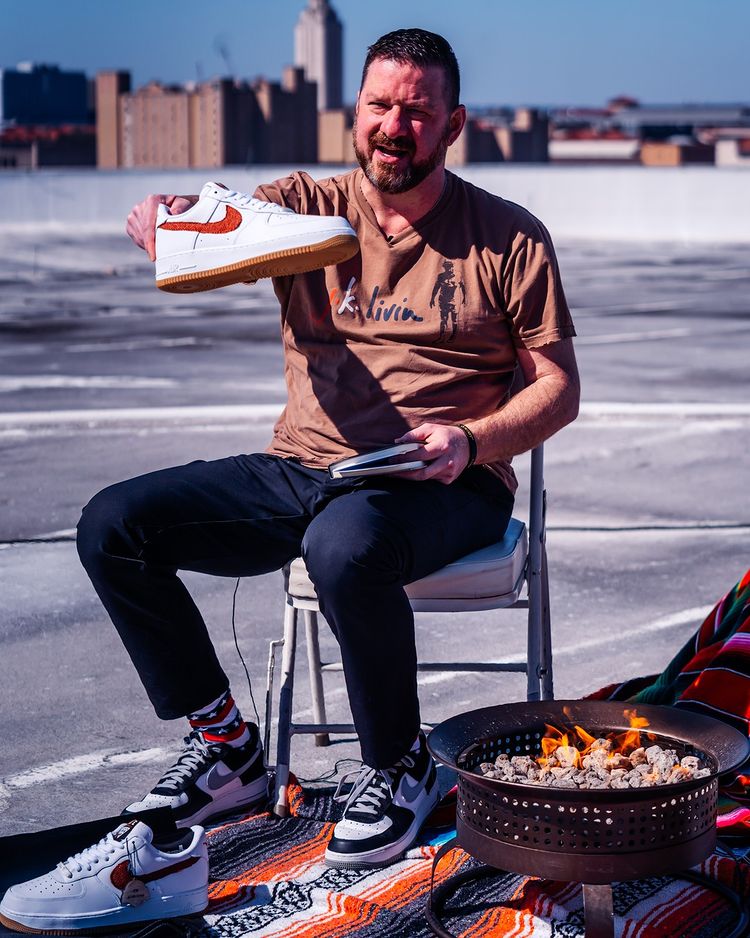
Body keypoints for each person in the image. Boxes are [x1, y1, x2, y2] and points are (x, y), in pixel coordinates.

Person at [77, 28, 579, 869]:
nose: (394, 126)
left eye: (417, 112)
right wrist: (161, 219)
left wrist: (471, 439)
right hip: (305, 467)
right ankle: (227, 748)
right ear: (355, 116)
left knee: (342, 546)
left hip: (443, 481)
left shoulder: (509, 237)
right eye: (379, 106)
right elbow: (209, 229)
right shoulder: (304, 209)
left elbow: (558, 388)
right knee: (113, 524)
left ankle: (400, 764)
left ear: (452, 124)